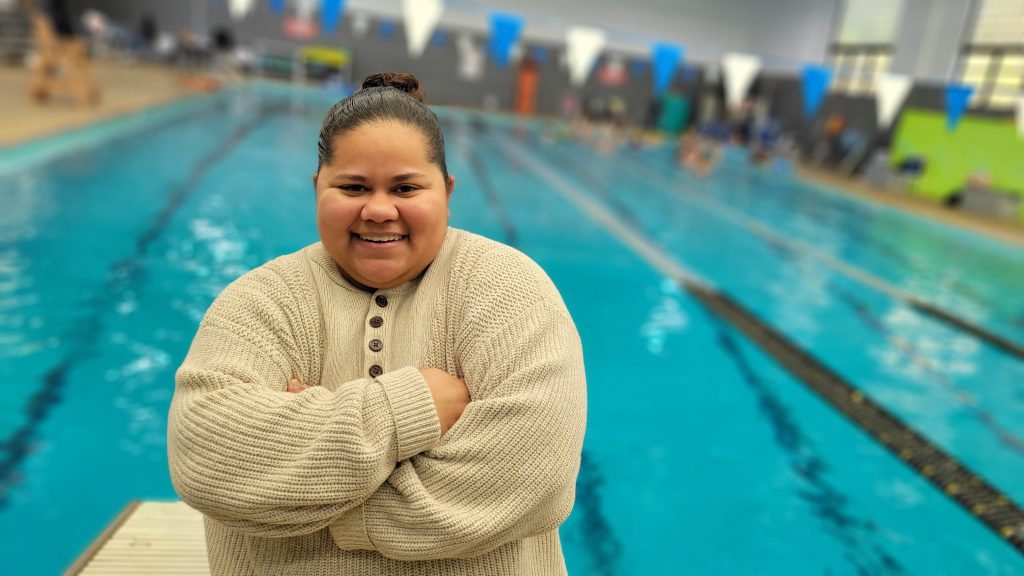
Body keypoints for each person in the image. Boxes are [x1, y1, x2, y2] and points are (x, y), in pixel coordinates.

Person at [167, 72, 587, 575]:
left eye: (406, 187)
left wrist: (309, 492)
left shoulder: (508, 291)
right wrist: (409, 408)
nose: (379, 210)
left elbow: (530, 481)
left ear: (447, 191)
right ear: (317, 187)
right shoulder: (263, 301)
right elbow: (206, 461)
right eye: (353, 187)